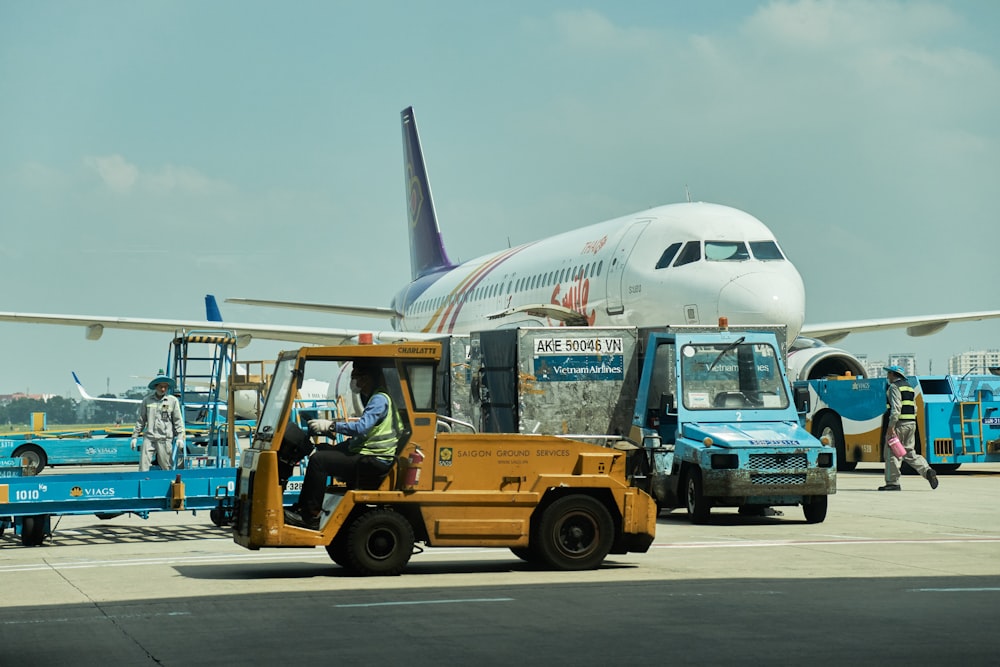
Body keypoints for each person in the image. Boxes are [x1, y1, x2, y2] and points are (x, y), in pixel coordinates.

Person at [284, 360, 403, 529]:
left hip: (374, 460)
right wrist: (330, 441)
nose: (353, 382)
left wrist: (331, 425)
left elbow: (361, 428)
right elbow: (365, 436)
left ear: (366, 378)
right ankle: (303, 507)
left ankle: (310, 516)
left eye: (356, 377)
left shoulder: (379, 400)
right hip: (367, 454)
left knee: (319, 461)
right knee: (322, 451)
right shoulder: (374, 398)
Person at [879, 365, 938, 491]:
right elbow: (915, 408)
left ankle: (892, 483)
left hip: (899, 424)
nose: (887, 376)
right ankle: (927, 471)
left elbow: (896, 410)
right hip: (911, 423)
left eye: (888, 374)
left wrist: (891, 427)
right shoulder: (909, 388)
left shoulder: (894, 387)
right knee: (909, 452)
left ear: (894, 374)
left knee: (892, 453)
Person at [131, 374, 185, 472]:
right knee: (143, 466)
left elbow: (178, 420)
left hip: (164, 438)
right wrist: (135, 436)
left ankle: (168, 483)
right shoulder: (147, 400)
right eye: (161, 386)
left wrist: (180, 437)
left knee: (166, 466)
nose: (163, 389)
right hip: (150, 438)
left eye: (165, 387)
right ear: (156, 386)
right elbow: (141, 419)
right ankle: (144, 483)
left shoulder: (172, 401)